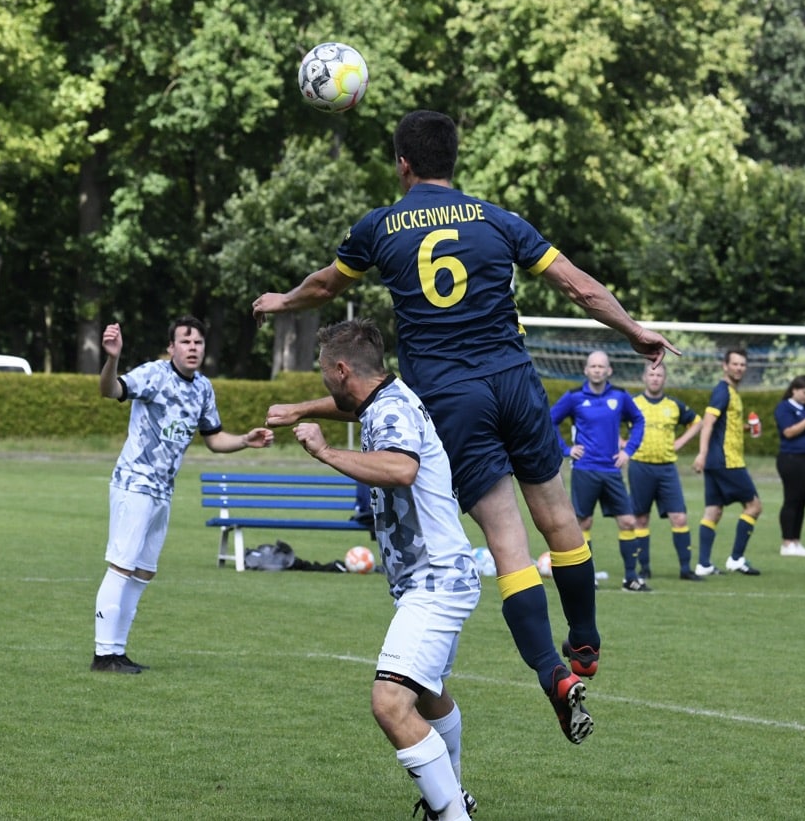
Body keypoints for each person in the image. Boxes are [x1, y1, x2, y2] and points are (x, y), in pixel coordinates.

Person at [253, 109, 678, 743]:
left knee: (507, 540)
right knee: (559, 518)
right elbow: (580, 290)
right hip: (514, 378)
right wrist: (634, 330)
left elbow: (322, 286)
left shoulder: (379, 227)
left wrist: (282, 301)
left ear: (403, 164)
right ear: (454, 159)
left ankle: (552, 672)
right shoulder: (497, 219)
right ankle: (585, 641)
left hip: (451, 397)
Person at [290, 319, 479, 820]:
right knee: (429, 695)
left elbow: (401, 468)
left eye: (324, 372)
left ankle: (451, 813)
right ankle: (454, 794)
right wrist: (300, 409)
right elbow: (347, 406)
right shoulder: (384, 397)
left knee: (390, 703)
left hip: (435, 579)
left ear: (341, 370)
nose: (324, 381)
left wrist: (325, 451)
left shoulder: (391, 409)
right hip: (436, 576)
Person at [92, 317, 273, 673]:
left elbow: (214, 438)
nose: (193, 347)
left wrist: (244, 440)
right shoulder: (154, 374)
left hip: (163, 491)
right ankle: (103, 654)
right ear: (171, 347)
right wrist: (112, 358)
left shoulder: (203, 388)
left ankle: (117, 651)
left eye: (198, 342)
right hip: (134, 483)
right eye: (185, 341)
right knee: (122, 565)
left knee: (144, 572)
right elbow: (110, 390)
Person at [549, 350, 647, 591]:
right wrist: (566, 449)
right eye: (593, 366)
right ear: (586, 370)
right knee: (583, 523)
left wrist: (628, 450)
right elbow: (549, 420)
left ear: (609, 371)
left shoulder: (620, 396)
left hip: (612, 470)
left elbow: (639, 420)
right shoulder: (574, 397)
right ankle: (587, 579)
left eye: (601, 366)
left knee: (628, 522)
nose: (597, 370)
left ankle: (630, 579)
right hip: (585, 469)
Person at [628, 360, 705, 582]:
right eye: (651, 375)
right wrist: (621, 443)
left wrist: (680, 442)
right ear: (644, 378)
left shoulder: (673, 405)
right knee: (641, 519)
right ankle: (644, 568)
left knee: (679, 517)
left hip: (666, 469)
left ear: (664, 379)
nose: (655, 378)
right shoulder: (632, 403)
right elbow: (610, 421)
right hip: (640, 466)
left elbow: (697, 422)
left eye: (659, 375)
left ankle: (685, 569)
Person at [691, 349, 762, 576]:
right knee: (754, 506)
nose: (739, 368)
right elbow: (708, 423)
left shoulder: (732, 392)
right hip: (727, 461)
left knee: (713, 511)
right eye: (735, 364)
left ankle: (703, 565)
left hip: (718, 461)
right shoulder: (723, 391)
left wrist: (748, 428)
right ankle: (736, 559)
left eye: (742, 364)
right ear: (725, 366)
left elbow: (725, 425)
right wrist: (702, 454)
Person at [774, 375, 805, 557]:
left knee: (802, 501)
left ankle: (796, 541)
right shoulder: (784, 407)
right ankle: (786, 542)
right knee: (792, 499)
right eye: (804, 393)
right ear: (794, 390)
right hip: (792, 458)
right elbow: (789, 432)